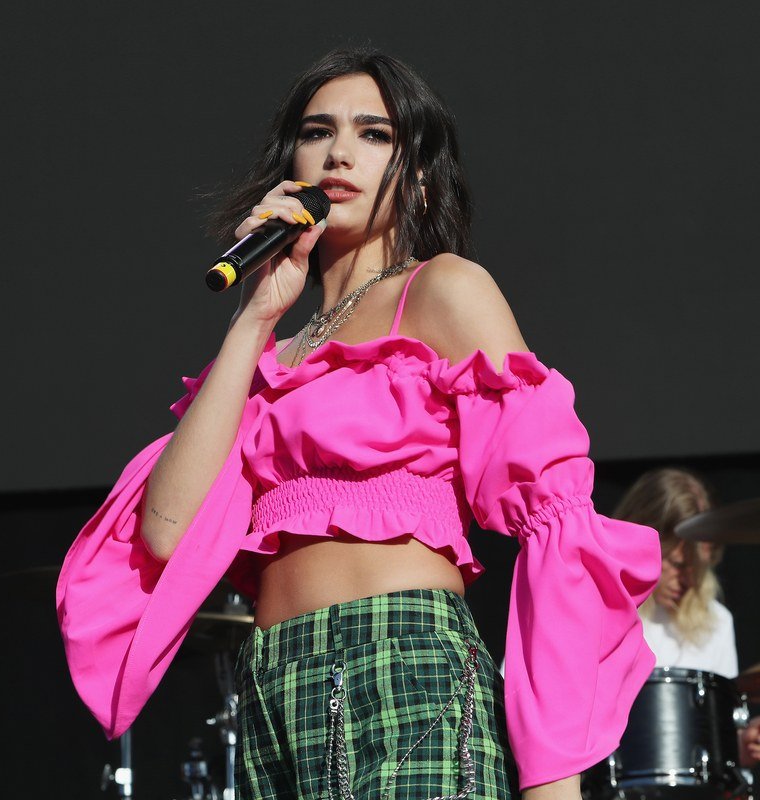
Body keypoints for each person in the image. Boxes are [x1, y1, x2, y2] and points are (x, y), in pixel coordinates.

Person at [56, 47, 661, 799]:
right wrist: (255, 319)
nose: (340, 151)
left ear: (415, 172)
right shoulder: (269, 355)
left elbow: (556, 522)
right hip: (275, 681)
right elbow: (167, 533)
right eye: (318, 131)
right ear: (293, 163)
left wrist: (553, 781)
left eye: (374, 134)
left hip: (403, 662)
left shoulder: (442, 290)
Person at [614, 467, 760, 769]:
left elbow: (714, 744)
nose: (690, 580)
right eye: (678, 564)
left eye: (700, 566)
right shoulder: (594, 610)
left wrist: (741, 748)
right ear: (638, 541)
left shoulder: (717, 622)